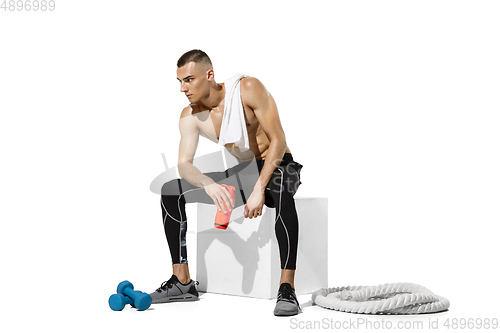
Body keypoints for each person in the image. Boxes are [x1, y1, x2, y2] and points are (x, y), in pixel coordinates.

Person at [149, 49, 303, 316]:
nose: (183, 88)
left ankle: (287, 288)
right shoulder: (190, 116)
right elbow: (185, 164)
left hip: (279, 164)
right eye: (180, 82)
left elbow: (278, 140)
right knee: (170, 190)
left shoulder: (248, 88)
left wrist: (258, 190)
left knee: (281, 191)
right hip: (244, 171)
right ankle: (182, 282)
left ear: (209, 75)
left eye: (189, 79)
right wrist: (208, 183)